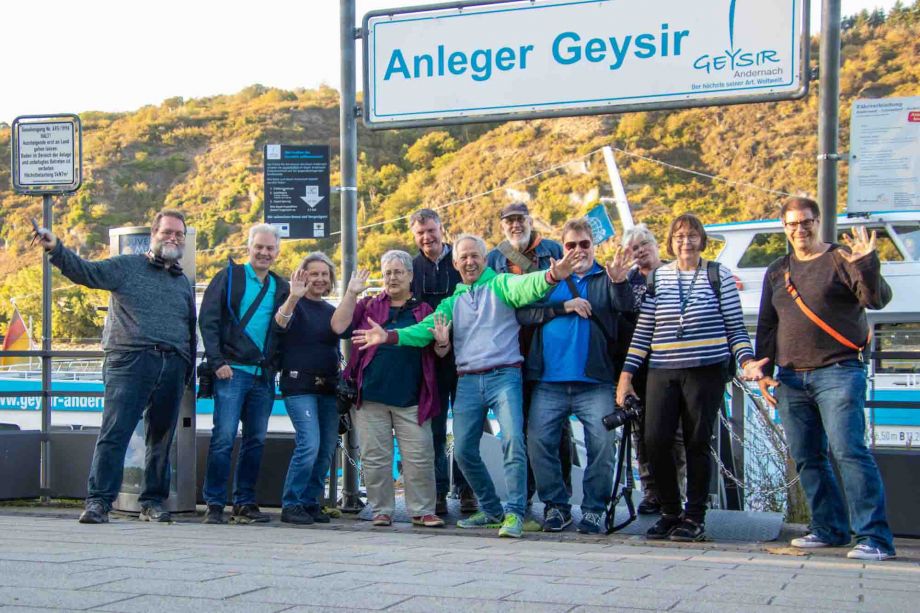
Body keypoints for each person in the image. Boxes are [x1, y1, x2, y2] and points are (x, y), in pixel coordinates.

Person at [354, 235, 577, 538]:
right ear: (456, 263)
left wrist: (552, 276)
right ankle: (491, 509)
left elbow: (527, 286)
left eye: (475, 256)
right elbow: (424, 330)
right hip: (468, 379)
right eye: (464, 257)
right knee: (463, 451)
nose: (470, 261)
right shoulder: (452, 301)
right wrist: (390, 337)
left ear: (485, 260)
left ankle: (514, 512)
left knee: (513, 442)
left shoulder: (501, 285)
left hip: (504, 375)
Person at [755, 197, 896, 561]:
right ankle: (829, 528)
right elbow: (768, 325)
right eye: (792, 224)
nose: (800, 230)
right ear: (784, 228)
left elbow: (876, 299)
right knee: (807, 457)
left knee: (849, 452)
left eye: (806, 222)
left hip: (838, 370)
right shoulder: (777, 270)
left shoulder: (841, 258)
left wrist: (867, 263)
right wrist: (764, 372)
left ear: (818, 222)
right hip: (791, 377)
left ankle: (874, 538)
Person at [34, 209, 196, 524]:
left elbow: (189, 327)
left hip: (173, 364)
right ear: (154, 234)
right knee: (115, 432)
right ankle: (99, 502)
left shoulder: (183, 282)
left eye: (178, 234)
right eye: (167, 232)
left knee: (161, 437)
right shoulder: (127, 266)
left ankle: (152, 502)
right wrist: (56, 249)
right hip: (131, 361)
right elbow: (85, 272)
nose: (173, 238)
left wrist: (186, 366)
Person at [617, 213, 767, 542]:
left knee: (697, 442)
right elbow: (644, 329)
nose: (686, 241)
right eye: (679, 236)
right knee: (655, 441)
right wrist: (626, 375)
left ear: (702, 240)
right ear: (670, 242)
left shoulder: (718, 275)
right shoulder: (660, 278)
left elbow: (734, 326)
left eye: (692, 235)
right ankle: (670, 512)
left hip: (705, 370)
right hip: (662, 370)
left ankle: (695, 516)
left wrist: (747, 360)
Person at [515, 218, 633, 533]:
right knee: (539, 441)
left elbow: (626, 312)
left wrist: (620, 284)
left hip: (595, 382)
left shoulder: (608, 277)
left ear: (593, 245)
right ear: (562, 248)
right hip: (549, 381)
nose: (578, 250)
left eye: (584, 244)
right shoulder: (549, 279)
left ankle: (594, 508)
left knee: (602, 447)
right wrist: (562, 307)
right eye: (571, 245)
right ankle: (556, 505)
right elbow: (523, 313)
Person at [336, 251, 446, 528]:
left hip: (411, 396)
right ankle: (381, 509)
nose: (393, 278)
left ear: (410, 276)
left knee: (420, 455)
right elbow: (339, 327)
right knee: (374, 457)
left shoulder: (424, 311)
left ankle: (422, 510)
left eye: (398, 272)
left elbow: (439, 352)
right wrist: (350, 293)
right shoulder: (369, 305)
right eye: (387, 273)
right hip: (370, 395)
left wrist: (443, 343)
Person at [199, 224, 290, 525]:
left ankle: (244, 502)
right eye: (259, 247)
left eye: (270, 248)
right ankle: (214, 503)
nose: (264, 253)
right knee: (223, 437)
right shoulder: (229, 277)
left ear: (277, 252)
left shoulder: (281, 286)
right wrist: (216, 361)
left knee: (255, 440)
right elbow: (208, 319)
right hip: (231, 370)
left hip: (263, 375)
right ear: (249, 247)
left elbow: (283, 329)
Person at [486, 202, 572, 504]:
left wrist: (541, 311)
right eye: (508, 222)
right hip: (511, 353)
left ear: (529, 220)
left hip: (551, 349)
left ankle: (561, 494)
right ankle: (525, 494)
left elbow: (567, 292)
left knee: (557, 424)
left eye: (519, 220)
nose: (515, 226)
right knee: (517, 426)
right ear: (502, 226)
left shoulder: (553, 250)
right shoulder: (493, 258)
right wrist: (552, 310)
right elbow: (503, 309)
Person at [408, 208, 476, 515]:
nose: (427, 237)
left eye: (431, 231)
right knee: (434, 430)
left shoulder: (460, 261)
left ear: (441, 229)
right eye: (421, 233)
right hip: (428, 361)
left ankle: (466, 489)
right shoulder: (411, 268)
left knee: (467, 427)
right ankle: (437, 491)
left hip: (465, 357)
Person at [274, 252, 348, 525]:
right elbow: (280, 324)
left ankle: (309, 501)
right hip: (299, 385)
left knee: (327, 447)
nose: (319, 279)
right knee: (309, 444)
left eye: (324, 274)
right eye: (313, 273)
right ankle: (291, 503)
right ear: (303, 276)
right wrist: (293, 296)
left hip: (328, 386)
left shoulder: (331, 311)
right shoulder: (293, 304)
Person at [621, 224, 687, 515]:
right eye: (634, 247)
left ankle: (677, 492)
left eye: (644, 243)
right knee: (643, 435)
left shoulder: (675, 274)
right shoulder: (627, 281)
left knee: (676, 435)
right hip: (639, 369)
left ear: (656, 244)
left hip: (673, 363)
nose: (641, 250)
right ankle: (651, 493)